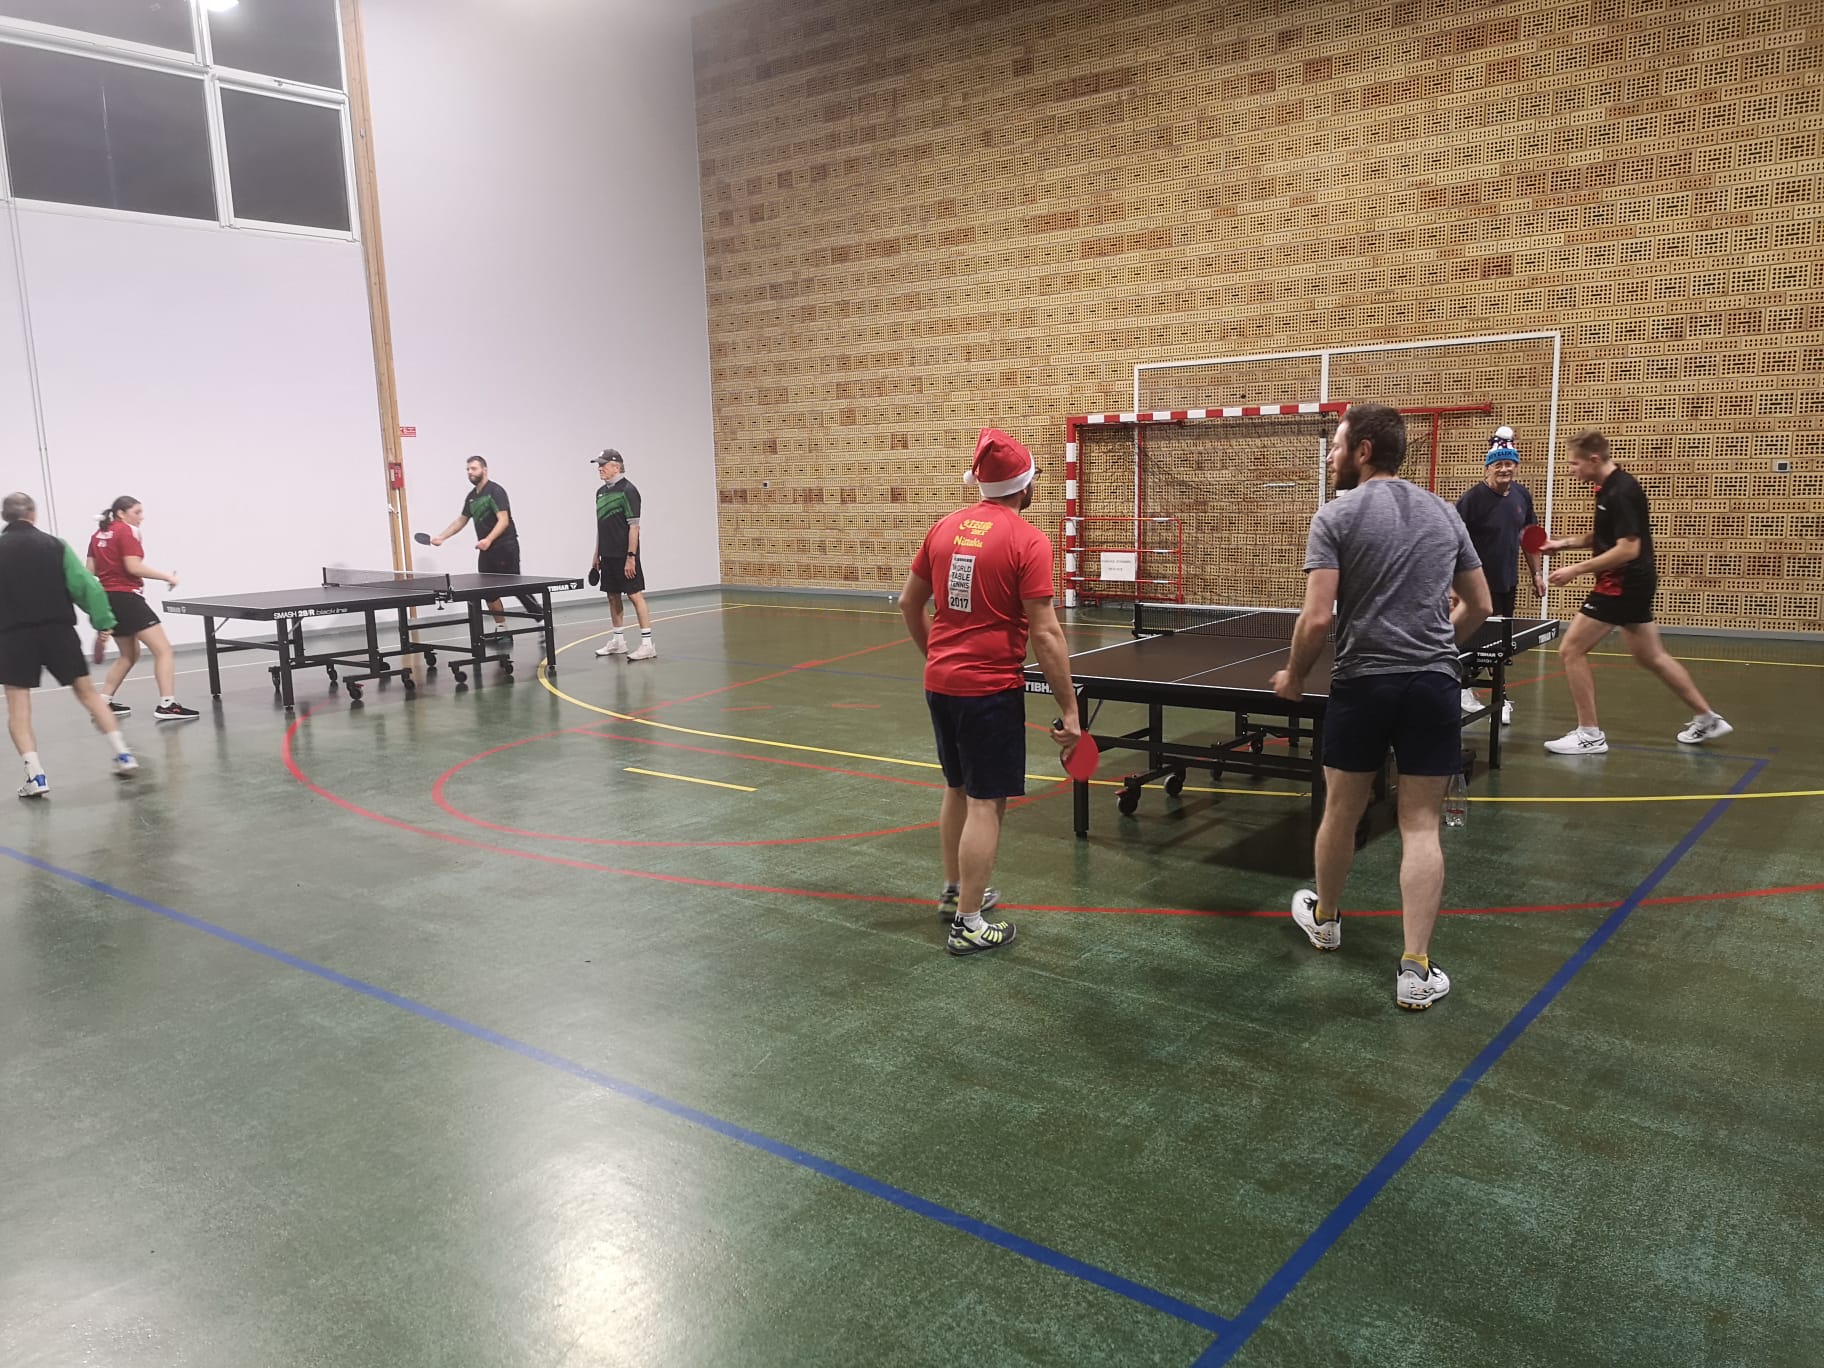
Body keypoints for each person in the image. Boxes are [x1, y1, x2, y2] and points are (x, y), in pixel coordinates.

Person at [1270, 403, 1491, 1011]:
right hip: (1432, 686)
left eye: (1337, 446)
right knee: (1419, 824)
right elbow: (1479, 604)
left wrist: (1294, 675)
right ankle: (1415, 969)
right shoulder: (1445, 513)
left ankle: (1327, 920)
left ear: (1364, 450)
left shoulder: (1335, 516)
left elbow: (1317, 617)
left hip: (1363, 684)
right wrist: (1436, 646)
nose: (1331, 456)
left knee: (1341, 812)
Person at [898, 427, 1080, 956]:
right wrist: (1069, 709)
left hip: (941, 686)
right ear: (1025, 486)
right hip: (989, 691)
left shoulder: (943, 528)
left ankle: (955, 891)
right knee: (986, 801)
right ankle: (969, 923)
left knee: (957, 787)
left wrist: (936, 657)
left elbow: (909, 603)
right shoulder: (1029, 540)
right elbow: (1046, 633)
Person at [1541, 430, 1729, 754]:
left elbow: (1628, 549)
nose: (1571, 470)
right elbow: (1605, 535)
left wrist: (1575, 570)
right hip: (1634, 583)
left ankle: (1590, 735)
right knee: (1650, 656)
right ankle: (1707, 718)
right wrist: (1563, 544)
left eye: (1574, 463)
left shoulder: (1621, 492)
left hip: (1621, 584)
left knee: (1571, 650)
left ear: (1594, 460)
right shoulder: (1607, 488)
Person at [0, 491, 138, 796]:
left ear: (4, 517)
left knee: (18, 707)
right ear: (33, 514)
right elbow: (86, 586)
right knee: (88, 694)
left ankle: (36, 777)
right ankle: (123, 755)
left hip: (14, 636)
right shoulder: (55, 545)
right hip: (58, 631)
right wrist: (103, 622)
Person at [1453, 428, 1545, 723]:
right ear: (1488, 467)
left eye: (1509, 463)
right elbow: (1452, 542)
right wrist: (1452, 585)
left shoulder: (1521, 496)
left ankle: (1468, 688)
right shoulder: (1472, 500)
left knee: (1498, 643)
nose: (1505, 469)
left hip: (1507, 581)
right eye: (1498, 464)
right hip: (1475, 584)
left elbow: (1529, 538)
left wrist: (1537, 574)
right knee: (1481, 641)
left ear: (1516, 465)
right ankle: (1492, 695)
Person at [87, 496, 198, 722]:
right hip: (128, 599)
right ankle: (167, 705)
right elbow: (133, 567)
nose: (141, 517)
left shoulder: (98, 534)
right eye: (137, 512)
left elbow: (90, 571)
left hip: (108, 599)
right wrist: (167, 576)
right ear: (121, 513)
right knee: (163, 650)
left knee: (129, 655)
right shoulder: (127, 531)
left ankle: (103, 702)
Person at [428, 455, 539, 643]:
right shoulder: (472, 497)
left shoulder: (495, 491)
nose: (470, 472)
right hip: (486, 550)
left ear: (484, 470)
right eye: (468, 469)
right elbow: (461, 520)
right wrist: (442, 537)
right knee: (488, 591)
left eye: (473, 468)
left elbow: (503, 520)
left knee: (516, 587)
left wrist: (488, 539)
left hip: (505, 546)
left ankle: (542, 619)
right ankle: (502, 630)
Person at [590, 449, 656, 661]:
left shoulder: (629, 490)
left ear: (616, 466)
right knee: (612, 596)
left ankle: (647, 645)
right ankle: (618, 641)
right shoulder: (600, 492)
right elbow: (601, 526)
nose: (600, 468)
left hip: (624, 554)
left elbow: (634, 527)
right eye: (599, 465)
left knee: (635, 595)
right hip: (607, 555)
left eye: (603, 464)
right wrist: (596, 554)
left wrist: (631, 557)